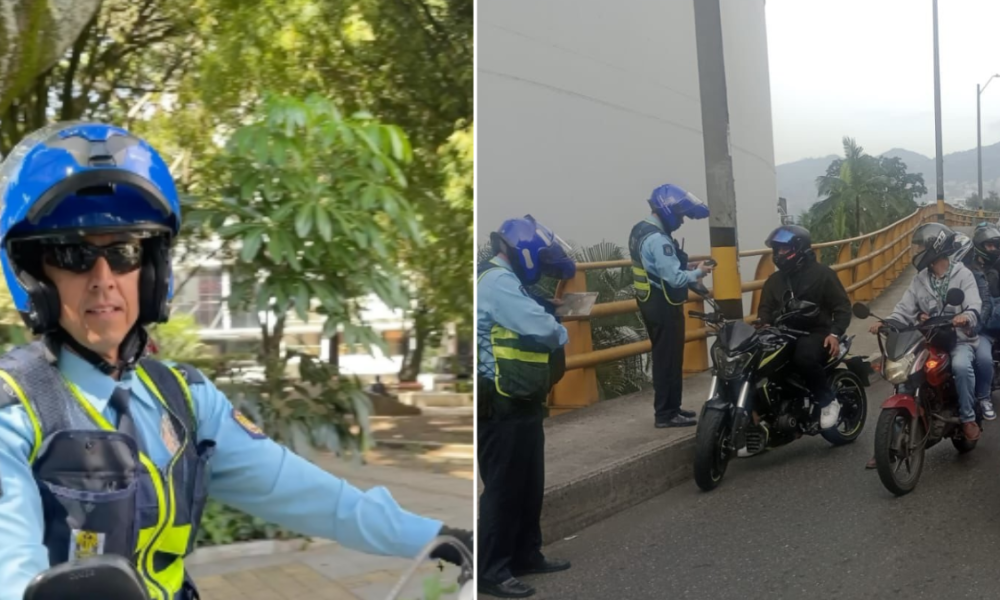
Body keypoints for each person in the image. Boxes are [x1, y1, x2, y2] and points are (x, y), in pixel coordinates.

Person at [0, 123, 471, 600]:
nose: (103, 279)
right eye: (72, 254)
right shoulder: (14, 413)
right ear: (34, 272)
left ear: (152, 268)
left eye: (124, 252)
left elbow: (314, 497)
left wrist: (440, 539)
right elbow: (9, 559)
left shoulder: (183, 399)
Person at [477, 215, 575, 599]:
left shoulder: (506, 280)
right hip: (500, 402)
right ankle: (492, 569)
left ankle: (526, 554)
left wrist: (541, 305)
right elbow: (541, 328)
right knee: (504, 487)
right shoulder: (498, 281)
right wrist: (559, 325)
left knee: (529, 482)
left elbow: (523, 313)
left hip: (521, 398)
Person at [870, 223, 983, 441]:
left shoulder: (962, 274)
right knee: (905, 372)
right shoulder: (920, 279)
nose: (917, 251)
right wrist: (888, 322)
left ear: (935, 246)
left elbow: (974, 305)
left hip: (958, 339)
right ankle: (888, 438)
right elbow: (905, 308)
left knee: (961, 367)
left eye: (920, 247)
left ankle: (968, 418)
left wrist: (965, 317)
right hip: (928, 339)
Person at [628, 184, 713, 428]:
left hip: (650, 302)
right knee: (669, 360)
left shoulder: (640, 229)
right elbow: (674, 278)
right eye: (680, 216)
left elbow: (658, 268)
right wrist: (698, 272)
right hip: (663, 305)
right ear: (667, 211)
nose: (681, 222)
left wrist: (685, 268)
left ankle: (671, 408)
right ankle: (666, 414)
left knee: (665, 358)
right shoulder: (658, 239)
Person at [757, 225, 852, 433]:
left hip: (815, 333)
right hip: (781, 334)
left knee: (804, 357)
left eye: (783, 249)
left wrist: (835, 333)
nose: (778, 255)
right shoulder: (773, 281)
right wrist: (763, 325)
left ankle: (828, 401)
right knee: (754, 361)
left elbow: (843, 307)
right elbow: (764, 310)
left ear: (798, 248)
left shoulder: (823, 274)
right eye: (776, 250)